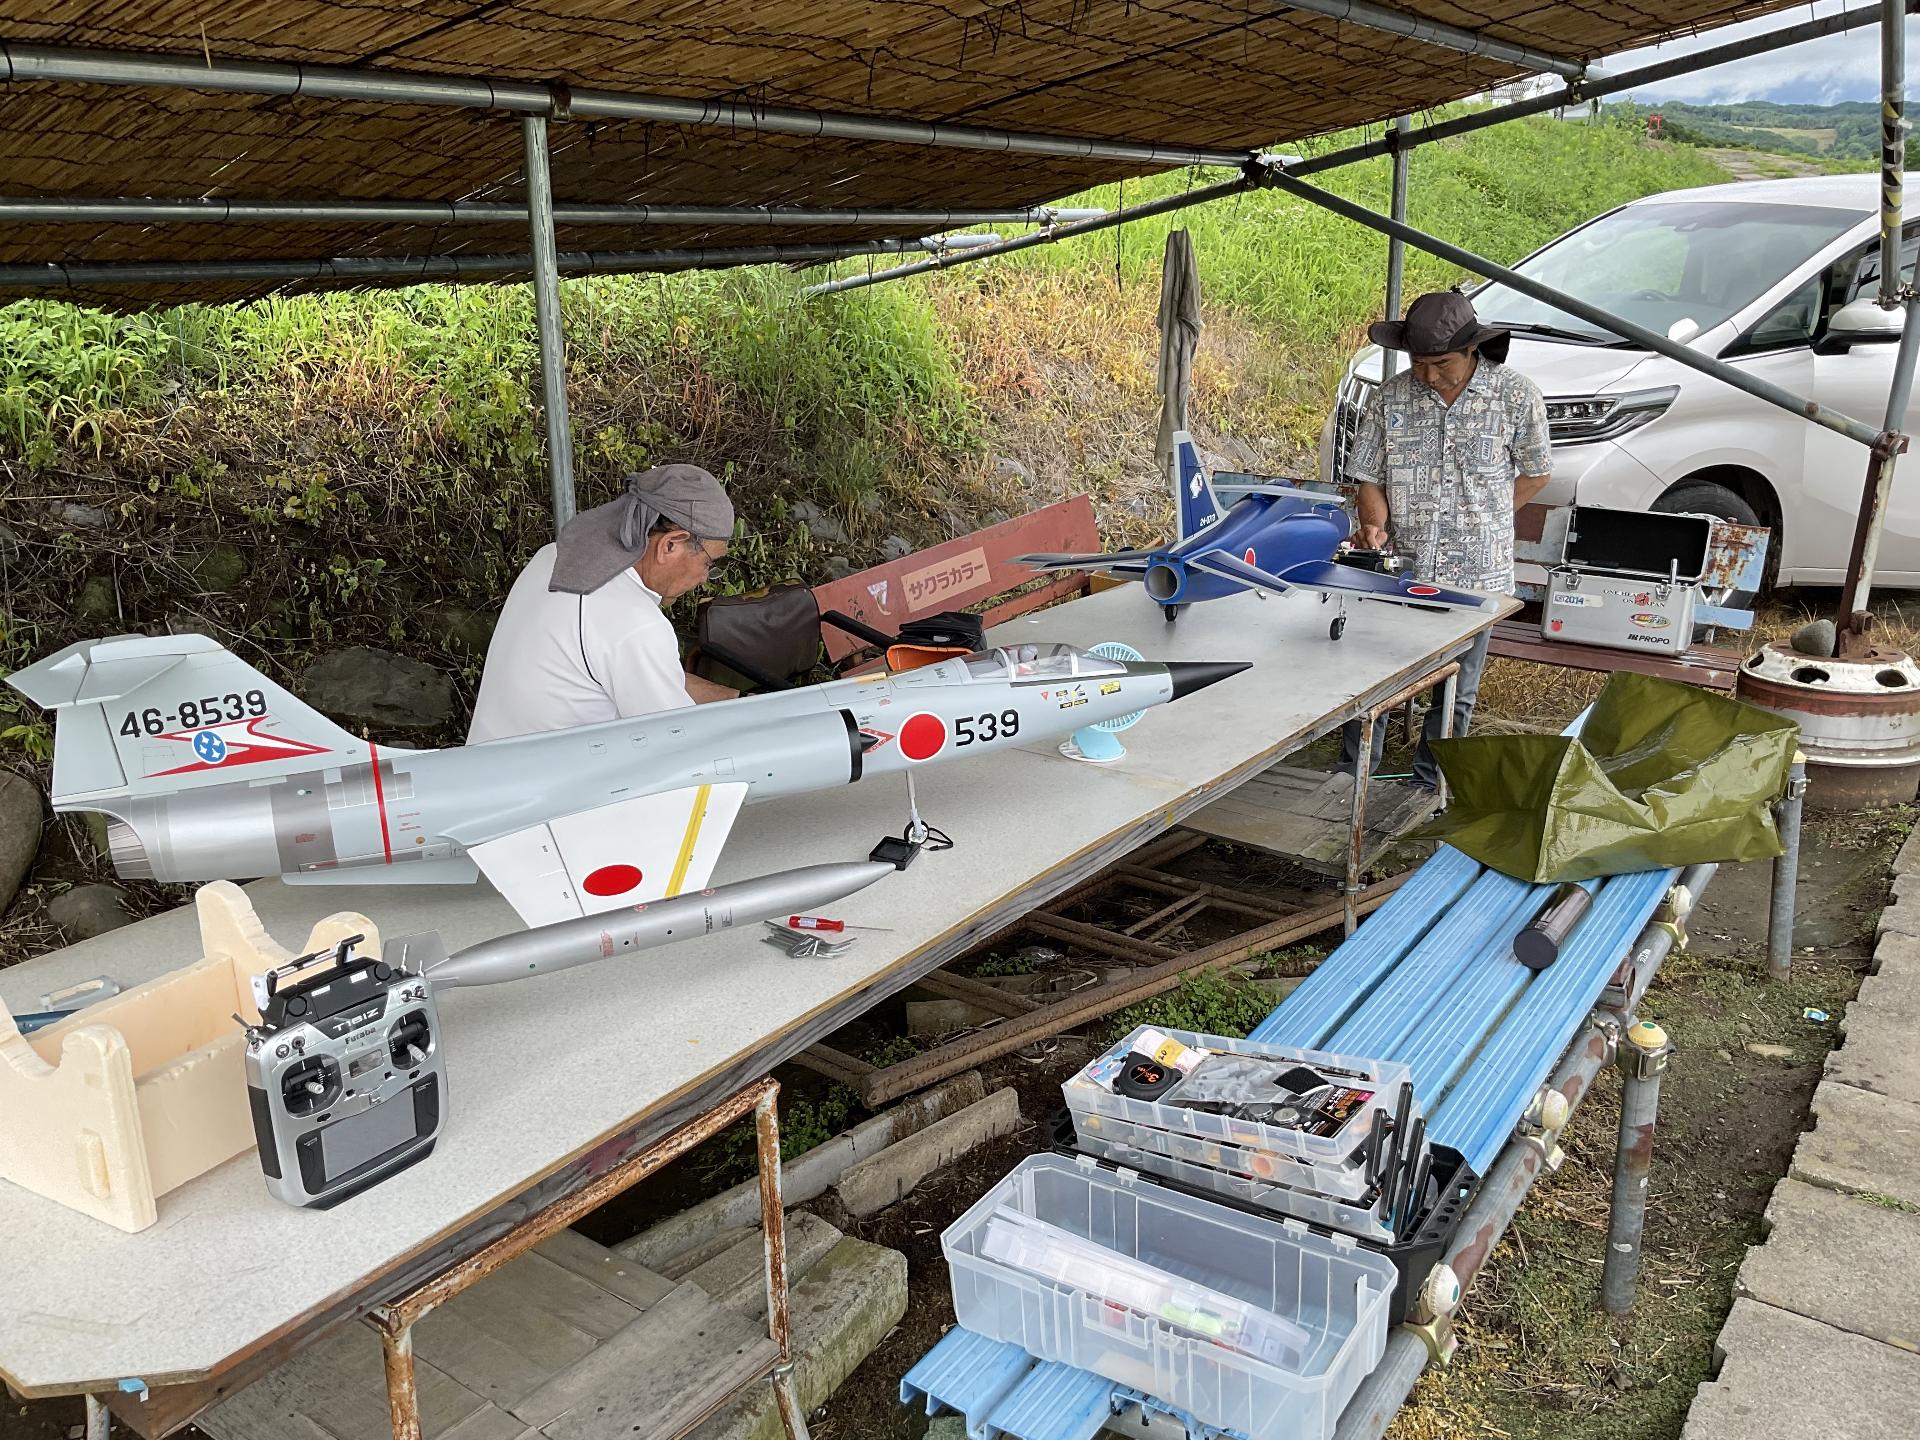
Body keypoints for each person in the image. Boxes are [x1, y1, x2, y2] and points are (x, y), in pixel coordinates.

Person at [1338, 289, 1551, 794]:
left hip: (1479, 573)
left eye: (1441, 364)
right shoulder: (1390, 397)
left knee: (1457, 690)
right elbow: (1369, 477)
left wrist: (1490, 515)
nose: (1429, 375)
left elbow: (1537, 471)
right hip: (1401, 568)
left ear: (1471, 350)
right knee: (1375, 679)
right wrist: (1375, 524)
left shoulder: (1516, 395)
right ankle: (1349, 784)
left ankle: (1427, 790)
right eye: (1419, 363)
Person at [469, 463, 739, 743]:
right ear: (670, 545)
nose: (705, 579)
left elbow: (650, 677)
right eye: (709, 563)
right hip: (554, 771)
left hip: (485, 759)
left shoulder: (554, 556)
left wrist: (739, 699)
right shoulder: (635, 624)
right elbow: (678, 743)